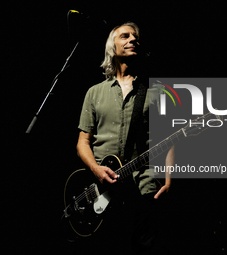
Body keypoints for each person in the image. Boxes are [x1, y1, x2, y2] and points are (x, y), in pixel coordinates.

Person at [76, 21, 174, 253]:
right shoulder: (94, 92)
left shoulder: (157, 91)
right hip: (103, 189)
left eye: (135, 37)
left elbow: (170, 141)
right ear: (112, 47)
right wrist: (96, 169)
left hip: (144, 186)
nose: (132, 40)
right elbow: (83, 142)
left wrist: (169, 180)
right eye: (125, 36)